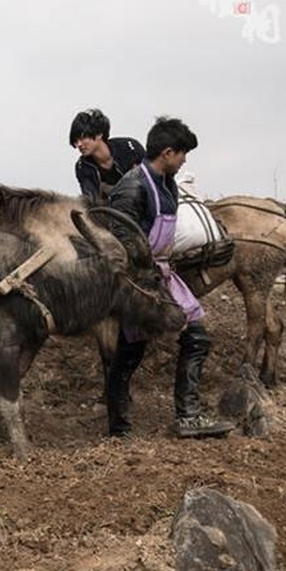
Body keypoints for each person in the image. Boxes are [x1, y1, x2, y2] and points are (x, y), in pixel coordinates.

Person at [104, 118, 235, 439]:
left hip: (162, 272)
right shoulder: (132, 187)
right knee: (128, 353)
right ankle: (119, 428)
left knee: (196, 338)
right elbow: (120, 240)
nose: (185, 160)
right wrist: (146, 288)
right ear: (167, 152)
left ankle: (188, 417)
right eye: (183, 154)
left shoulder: (168, 184)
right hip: (137, 279)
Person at [69, 108, 146, 205]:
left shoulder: (130, 148)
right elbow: (91, 201)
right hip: (116, 213)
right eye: (76, 141)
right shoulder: (83, 167)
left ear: (99, 134)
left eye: (83, 138)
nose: (79, 144)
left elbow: (153, 178)